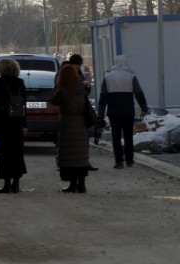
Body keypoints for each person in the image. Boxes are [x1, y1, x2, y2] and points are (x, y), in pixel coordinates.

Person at [97, 54, 150, 169]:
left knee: (115, 136)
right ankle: (129, 160)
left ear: (115, 63)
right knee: (128, 136)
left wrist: (100, 114)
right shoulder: (131, 76)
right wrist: (144, 108)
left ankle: (119, 161)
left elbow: (103, 97)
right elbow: (139, 94)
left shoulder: (107, 77)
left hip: (113, 112)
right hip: (128, 111)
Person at [0, 58, 28, 193]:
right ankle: (16, 183)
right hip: (17, 122)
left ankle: (7, 184)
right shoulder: (20, 83)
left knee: (4, 154)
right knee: (17, 153)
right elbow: (24, 106)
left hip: (3, 124)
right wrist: (24, 124)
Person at [50, 64, 90, 193]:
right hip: (81, 124)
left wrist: (58, 84)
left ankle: (72, 184)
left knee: (70, 156)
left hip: (68, 124)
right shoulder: (81, 87)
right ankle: (82, 185)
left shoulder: (63, 90)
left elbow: (53, 101)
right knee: (80, 156)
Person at [66, 54, 98, 171]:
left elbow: (84, 94)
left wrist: (87, 86)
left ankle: (84, 162)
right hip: (71, 115)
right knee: (72, 142)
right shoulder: (65, 74)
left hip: (80, 113)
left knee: (82, 141)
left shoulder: (78, 74)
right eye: (78, 65)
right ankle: (72, 165)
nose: (79, 68)